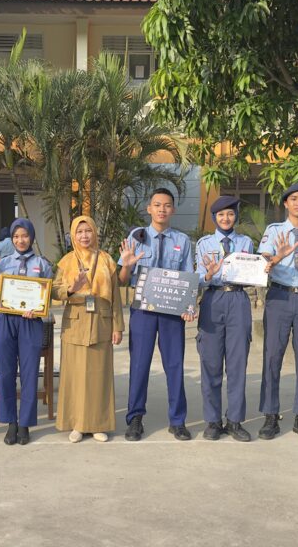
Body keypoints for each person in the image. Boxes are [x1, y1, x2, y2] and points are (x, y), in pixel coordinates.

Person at [119, 188, 196, 442]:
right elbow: (123, 279)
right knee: (139, 365)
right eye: (157, 205)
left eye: (166, 205)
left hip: (172, 313)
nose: (161, 209)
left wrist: (189, 307)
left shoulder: (183, 241)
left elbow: (187, 278)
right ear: (148, 209)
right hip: (143, 311)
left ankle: (177, 420)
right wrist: (127, 265)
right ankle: (135, 419)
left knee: (174, 366)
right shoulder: (136, 237)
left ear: (172, 210)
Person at [257, 182, 298, 442]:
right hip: (279, 297)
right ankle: (270, 415)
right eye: (293, 198)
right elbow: (264, 262)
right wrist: (277, 257)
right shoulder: (274, 231)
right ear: (285, 203)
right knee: (272, 356)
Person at [0, 218, 53, 445]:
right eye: (16, 236)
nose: (20, 240)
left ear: (31, 237)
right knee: (6, 372)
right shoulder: (2, 263)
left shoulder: (42, 264)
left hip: (30, 322)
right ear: (11, 239)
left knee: (30, 373)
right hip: (5, 320)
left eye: (24, 235)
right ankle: (11, 421)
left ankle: (25, 423)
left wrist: (38, 308)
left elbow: (47, 295)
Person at [53, 216, 123, 442]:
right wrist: (70, 289)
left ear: (95, 233)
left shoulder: (106, 260)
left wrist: (118, 326)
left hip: (101, 320)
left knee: (99, 375)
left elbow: (116, 296)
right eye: (80, 232)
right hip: (75, 320)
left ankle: (97, 424)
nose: (84, 236)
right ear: (73, 235)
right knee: (75, 375)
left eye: (88, 231)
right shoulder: (66, 261)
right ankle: (77, 424)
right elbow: (54, 292)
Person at [194, 195, 255, 442]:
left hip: (238, 299)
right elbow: (198, 278)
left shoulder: (245, 242)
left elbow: (250, 274)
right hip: (213, 299)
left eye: (230, 214)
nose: (226, 218)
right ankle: (212, 420)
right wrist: (208, 274)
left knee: (238, 363)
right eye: (221, 215)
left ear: (235, 216)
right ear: (214, 218)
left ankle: (235, 421)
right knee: (210, 363)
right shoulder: (203, 243)